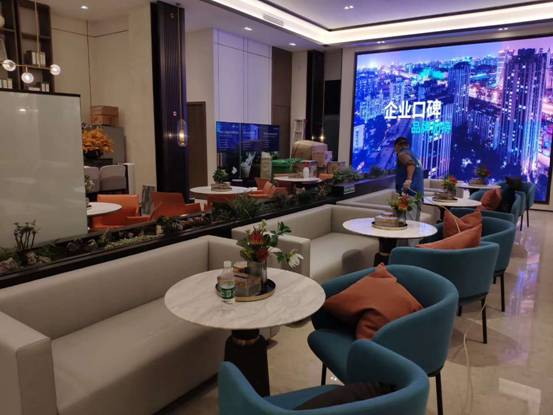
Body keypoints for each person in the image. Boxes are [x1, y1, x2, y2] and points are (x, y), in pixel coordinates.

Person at [394, 137, 424, 221]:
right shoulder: (414, 155)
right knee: (414, 223)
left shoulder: (402, 154)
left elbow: (410, 164)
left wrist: (408, 180)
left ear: (397, 146)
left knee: (409, 223)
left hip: (409, 194)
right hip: (417, 194)